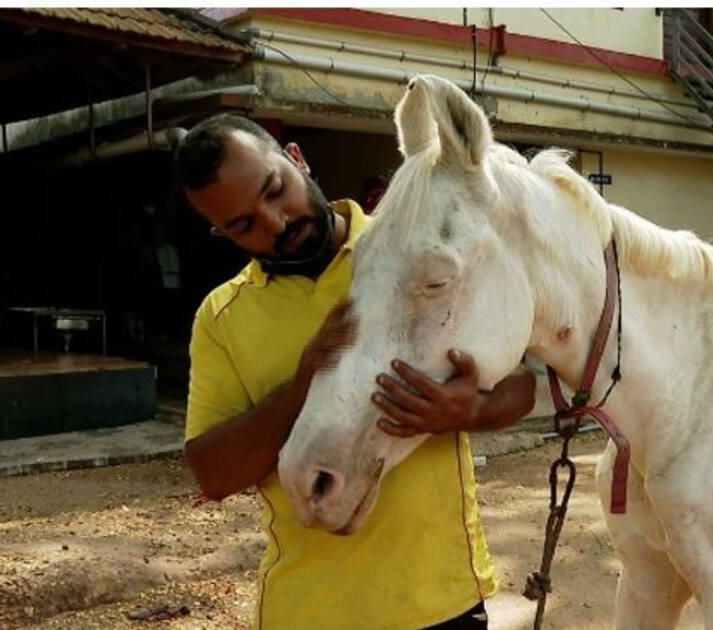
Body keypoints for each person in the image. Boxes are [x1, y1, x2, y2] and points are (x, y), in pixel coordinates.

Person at [172, 113, 537, 630]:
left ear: (296, 158)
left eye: (275, 191)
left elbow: (519, 381)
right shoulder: (221, 317)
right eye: (243, 224)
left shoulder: (418, 252)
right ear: (220, 232)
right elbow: (214, 472)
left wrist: (471, 408)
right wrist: (305, 380)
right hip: (310, 612)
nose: (275, 223)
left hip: (446, 597)